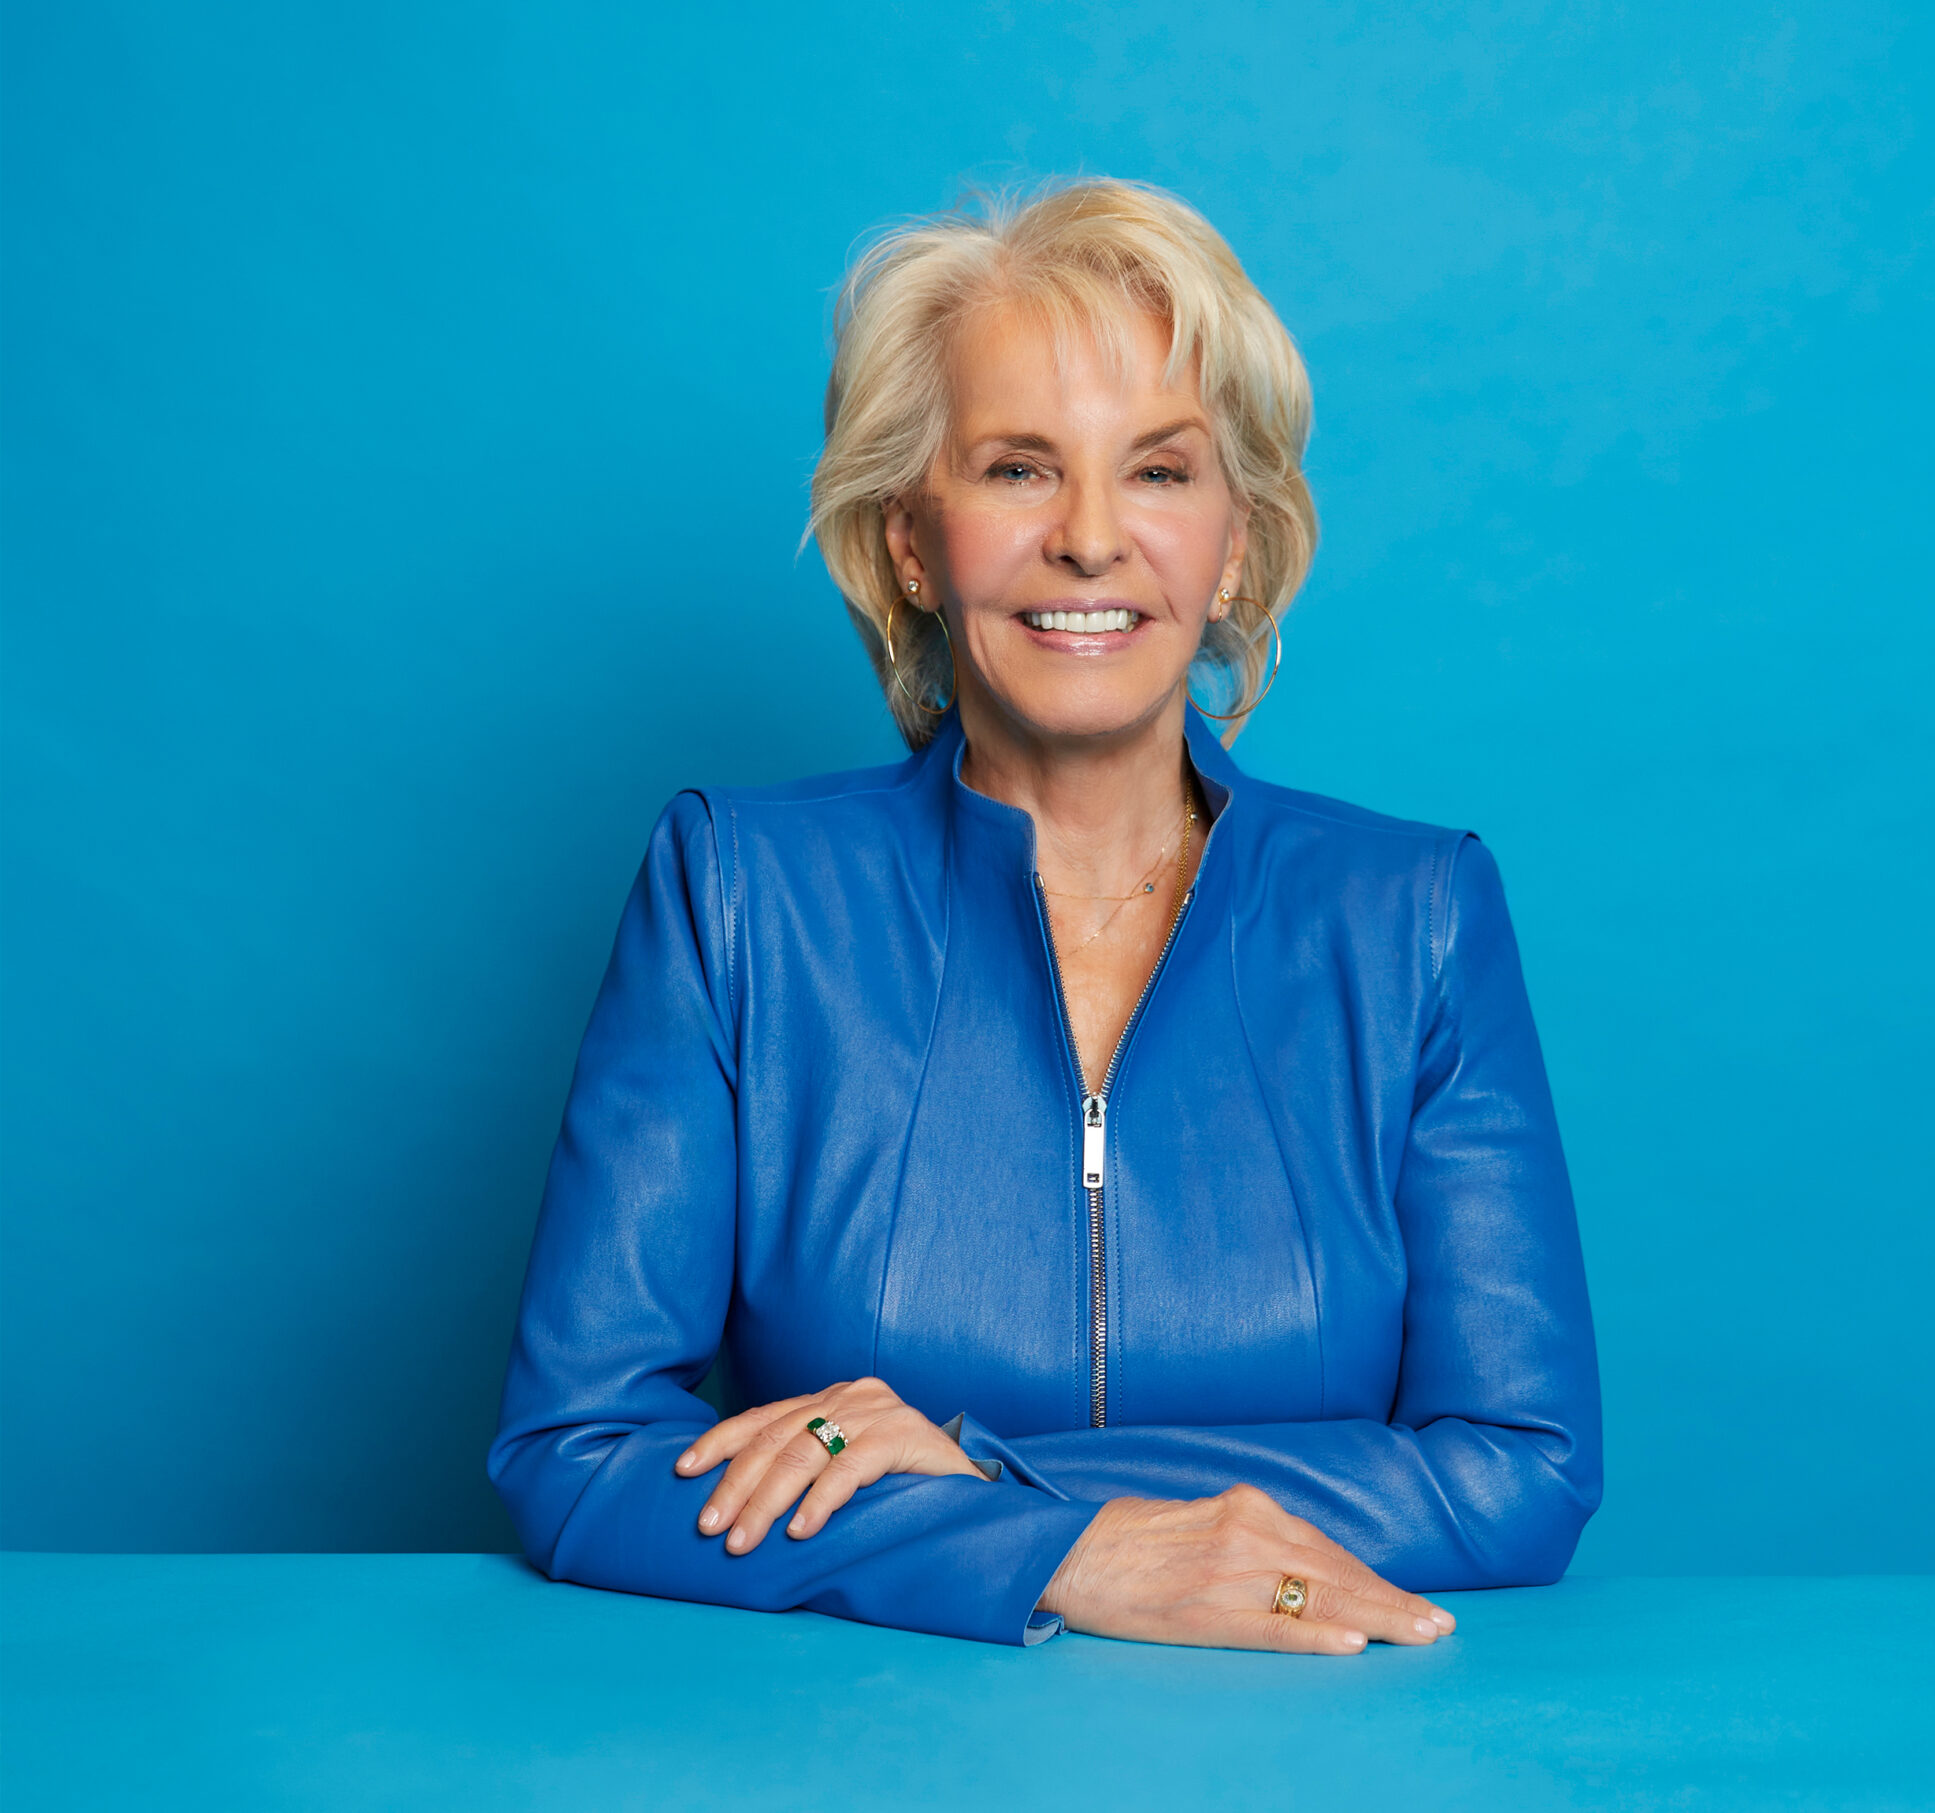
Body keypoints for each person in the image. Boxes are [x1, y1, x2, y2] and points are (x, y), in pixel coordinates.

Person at [487, 178, 1601, 1653]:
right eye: (1018, 469)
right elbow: (573, 1452)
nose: (1090, 538)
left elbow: (1524, 1465)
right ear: (911, 539)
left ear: (1236, 543)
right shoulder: (737, 893)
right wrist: (1061, 1559)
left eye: (1159, 471)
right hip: (857, 1738)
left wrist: (1010, 1495)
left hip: (1314, 1734)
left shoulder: (1415, 918)